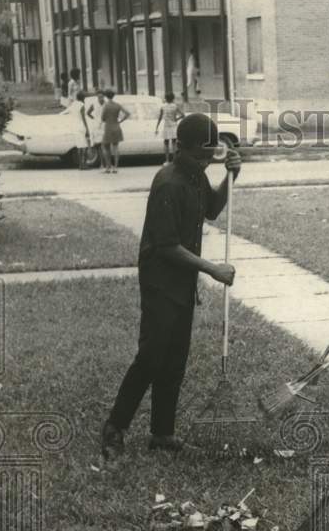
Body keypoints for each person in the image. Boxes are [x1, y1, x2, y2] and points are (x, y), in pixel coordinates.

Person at [101, 114, 242, 461]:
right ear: (183, 147)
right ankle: (113, 428)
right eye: (202, 154)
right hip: (161, 282)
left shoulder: (196, 176)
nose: (207, 159)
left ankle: (162, 434)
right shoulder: (169, 182)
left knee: (175, 359)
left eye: (212, 153)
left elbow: (211, 210)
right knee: (151, 358)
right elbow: (166, 246)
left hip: (183, 282)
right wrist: (212, 269)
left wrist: (230, 177)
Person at [99, 89, 130, 174]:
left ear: (106, 96)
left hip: (108, 127)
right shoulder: (117, 105)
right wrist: (121, 121)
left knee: (106, 147)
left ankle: (108, 167)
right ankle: (116, 167)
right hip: (116, 126)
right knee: (115, 148)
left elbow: (102, 118)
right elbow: (127, 113)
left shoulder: (106, 105)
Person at [155, 92, 184, 163]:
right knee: (174, 143)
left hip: (166, 126)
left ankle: (167, 159)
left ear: (166, 98)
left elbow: (160, 117)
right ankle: (174, 159)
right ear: (173, 98)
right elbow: (183, 115)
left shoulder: (163, 106)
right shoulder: (175, 106)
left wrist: (157, 127)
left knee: (166, 143)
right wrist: (176, 119)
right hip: (174, 125)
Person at [69, 90, 92, 170]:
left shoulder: (73, 104)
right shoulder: (82, 105)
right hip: (81, 126)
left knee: (79, 147)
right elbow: (83, 118)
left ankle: (80, 164)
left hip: (74, 126)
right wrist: (87, 129)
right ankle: (84, 164)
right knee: (84, 146)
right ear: (83, 98)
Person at [87, 87, 107, 171]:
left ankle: (106, 164)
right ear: (97, 97)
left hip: (104, 125)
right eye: (99, 97)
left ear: (104, 96)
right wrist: (94, 118)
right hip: (96, 126)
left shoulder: (106, 104)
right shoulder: (94, 103)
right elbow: (88, 113)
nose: (100, 98)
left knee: (105, 146)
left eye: (102, 96)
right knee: (99, 146)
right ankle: (102, 163)